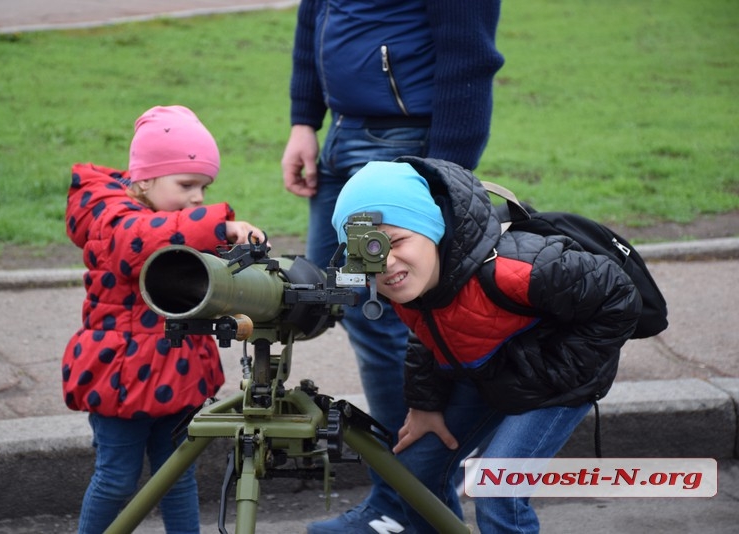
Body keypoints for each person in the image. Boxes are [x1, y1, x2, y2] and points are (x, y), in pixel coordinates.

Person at [280, 2, 505, 531]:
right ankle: (404, 502)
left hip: (400, 148)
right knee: (342, 305)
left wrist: (441, 176)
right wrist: (303, 119)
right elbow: (317, 13)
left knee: (385, 317)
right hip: (344, 139)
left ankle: (411, 507)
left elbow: (467, 55)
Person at [331, 157, 642, 533]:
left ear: (433, 228)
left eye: (396, 241)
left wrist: (558, 372)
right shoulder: (406, 281)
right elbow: (426, 335)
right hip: (490, 369)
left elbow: (619, 295)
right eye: (368, 252)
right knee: (414, 475)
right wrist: (425, 405)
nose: (385, 264)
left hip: (555, 381)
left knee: (498, 488)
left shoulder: (513, 267)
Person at [62, 105, 266, 534]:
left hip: (178, 374)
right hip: (121, 379)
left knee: (177, 477)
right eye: (187, 184)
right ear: (144, 180)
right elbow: (139, 241)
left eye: (204, 188)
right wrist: (220, 226)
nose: (197, 198)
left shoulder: (180, 225)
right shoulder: (112, 220)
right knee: (116, 478)